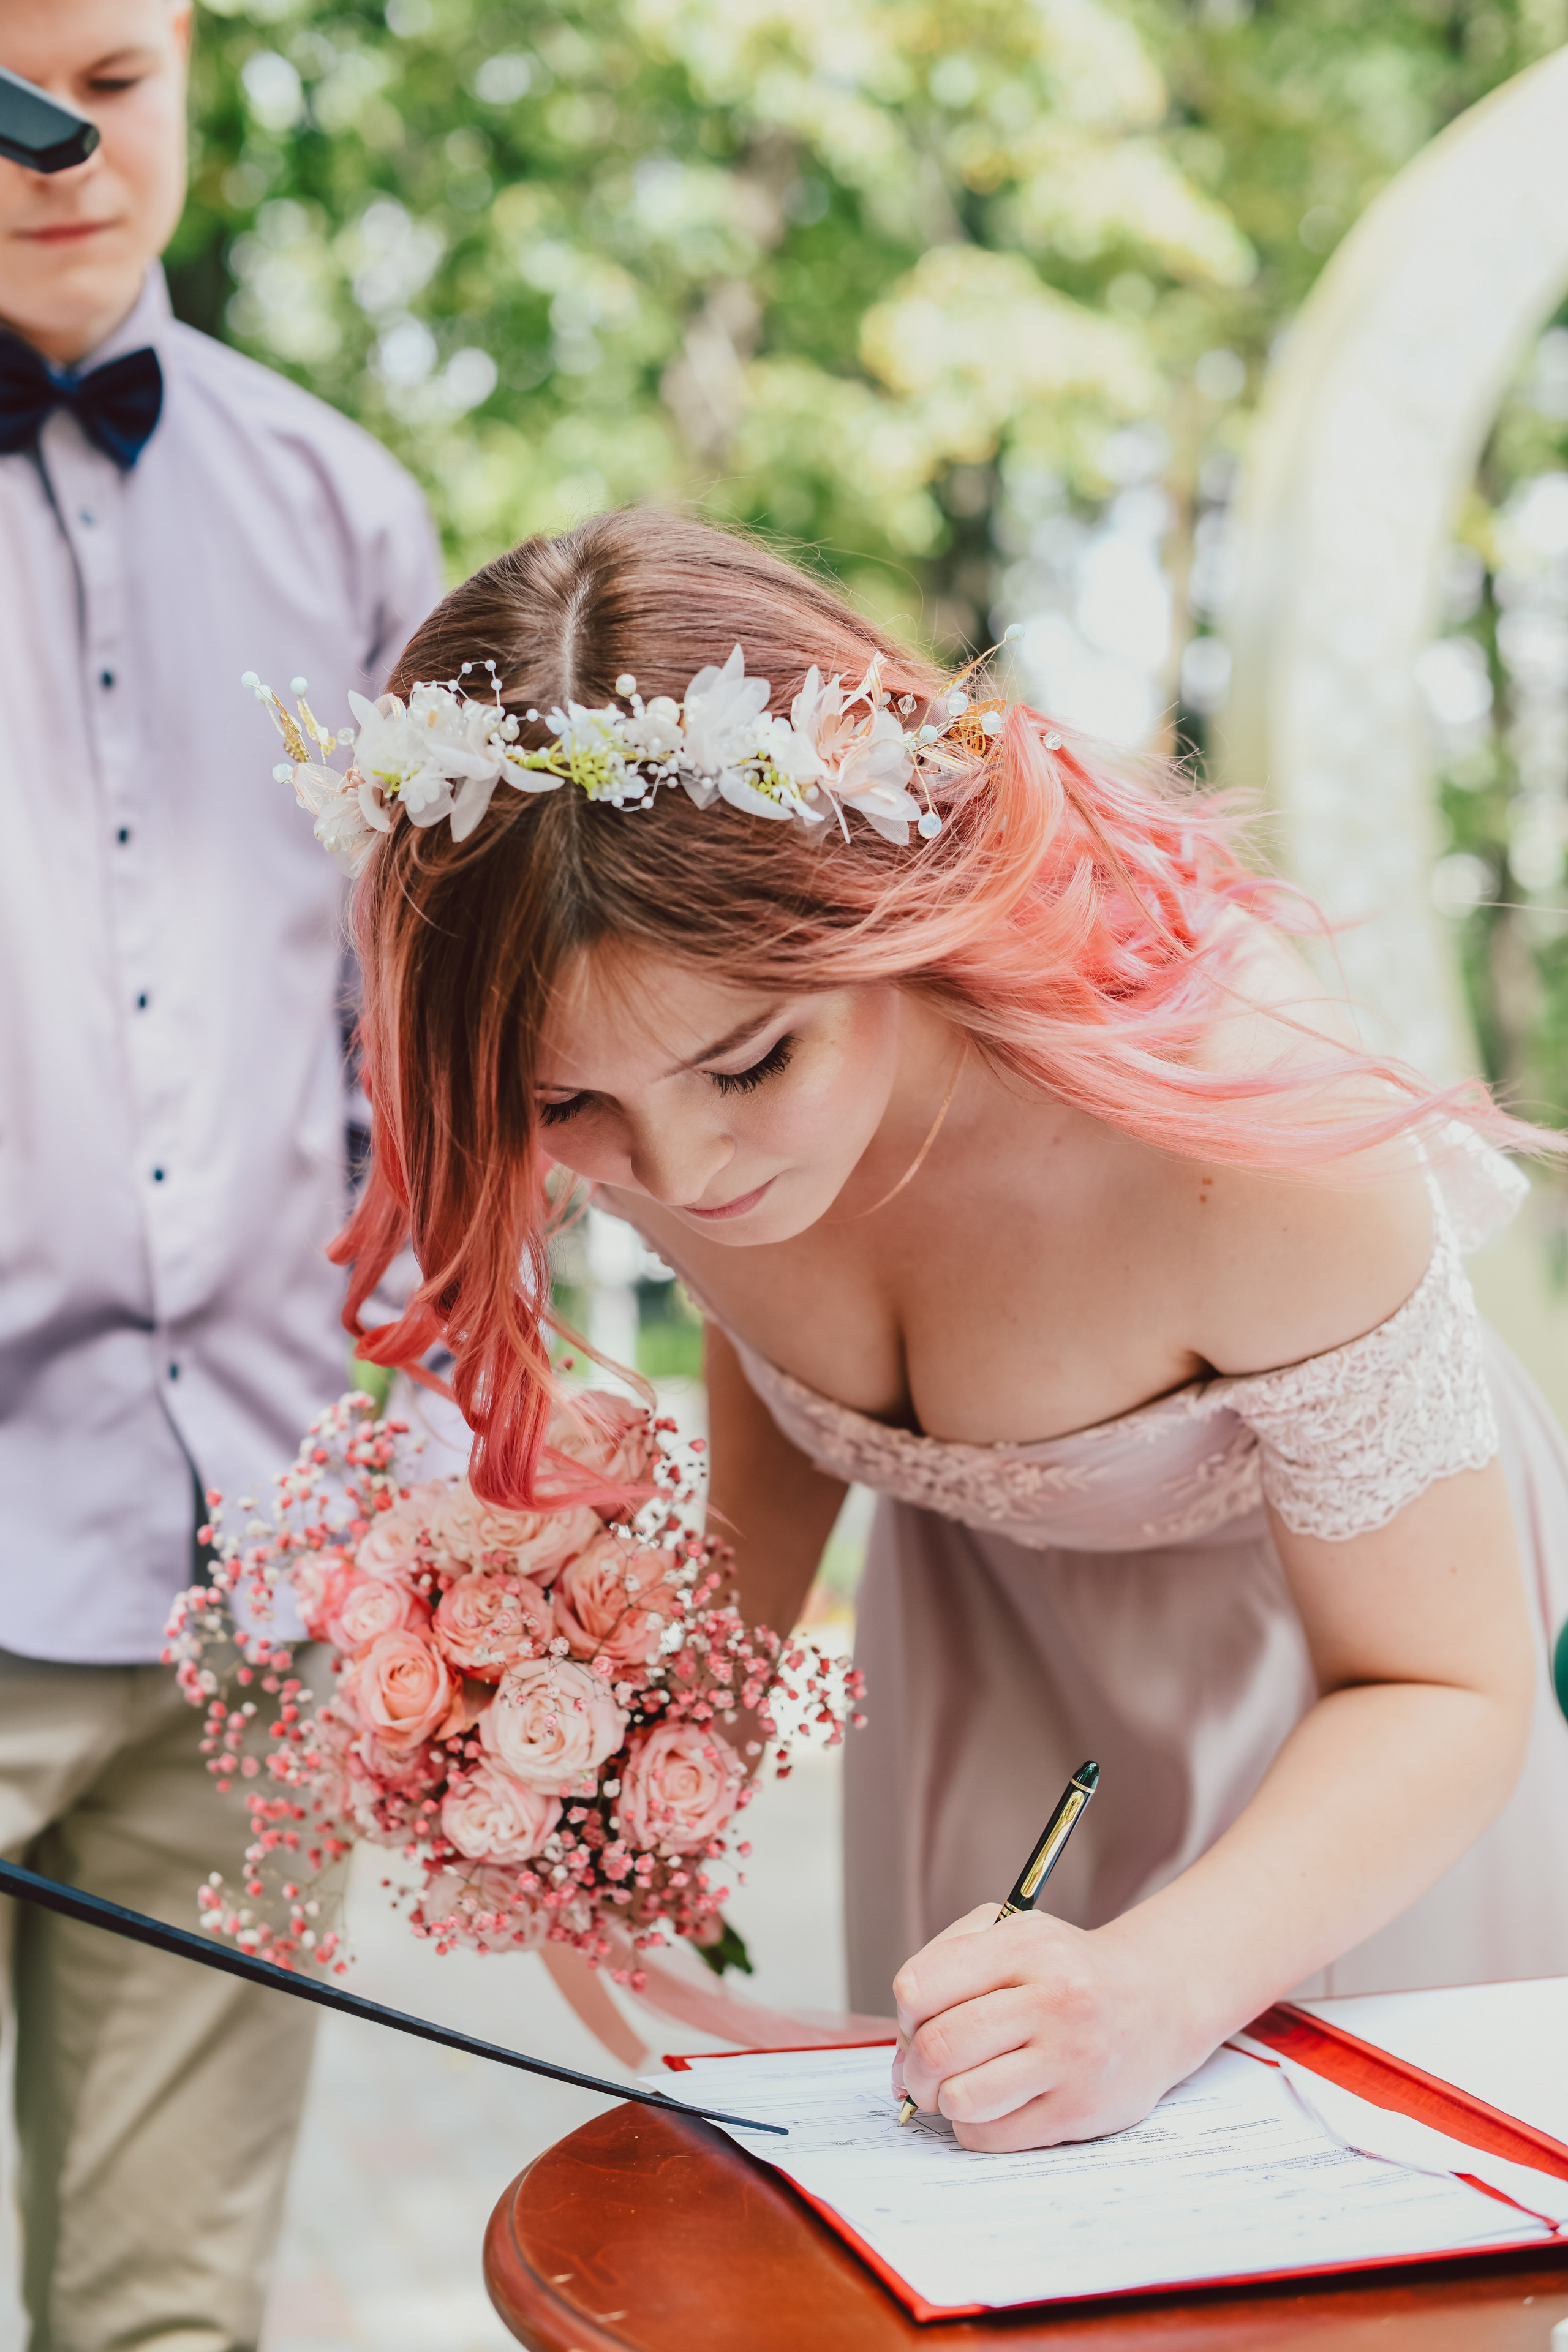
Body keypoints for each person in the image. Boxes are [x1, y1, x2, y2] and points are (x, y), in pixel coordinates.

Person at [298, 508, 1567, 2158]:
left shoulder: (1239, 1132)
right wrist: (629, 1764)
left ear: (876, 896)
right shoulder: (669, 1095)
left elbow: (1444, 1682)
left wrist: (1161, 1989)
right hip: (985, 1707)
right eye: (565, 1104)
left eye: (755, 1064)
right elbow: (781, 1400)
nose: (681, 1175)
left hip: (1335, 1743)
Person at [0, 0, 441, 2342]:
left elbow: (423, 1058)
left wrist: (444, 1455)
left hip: (254, 1576)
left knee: (168, 2320)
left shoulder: (351, 510)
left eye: (118, 78)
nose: (64, 145)